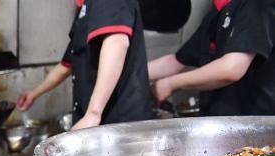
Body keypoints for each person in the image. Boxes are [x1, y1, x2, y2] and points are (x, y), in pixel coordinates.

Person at [17, 0, 152, 129]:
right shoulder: (86, 8)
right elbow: (65, 67)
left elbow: (116, 42)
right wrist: (33, 94)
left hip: (119, 123)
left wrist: (93, 114)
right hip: (101, 125)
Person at [148, 0, 275, 115]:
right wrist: (133, 72)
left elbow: (232, 68)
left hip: (253, 129)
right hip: (220, 124)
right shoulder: (216, 14)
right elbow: (174, 62)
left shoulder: (256, 4)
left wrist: (170, 84)